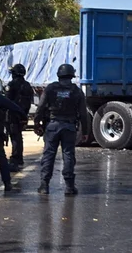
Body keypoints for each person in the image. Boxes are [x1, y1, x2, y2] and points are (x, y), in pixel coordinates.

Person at [34, 64, 87, 195]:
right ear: (71, 76)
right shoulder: (76, 91)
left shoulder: (51, 89)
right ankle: (69, 187)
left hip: (52, 126)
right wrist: (85, 132)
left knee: (48, 154)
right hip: (69, 127)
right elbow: (83, 113)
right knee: (68, 154)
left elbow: (40, 108)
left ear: (59, 75)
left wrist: (37, 124)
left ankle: (44, 185)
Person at [4, 64, 33, 172]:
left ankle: (16, 158)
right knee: (18, 136)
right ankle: (18, 157)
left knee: (14, 137)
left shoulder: (11, 85)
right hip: (23, 114)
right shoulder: (27, 85)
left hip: (12, 114)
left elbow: (7, 100)